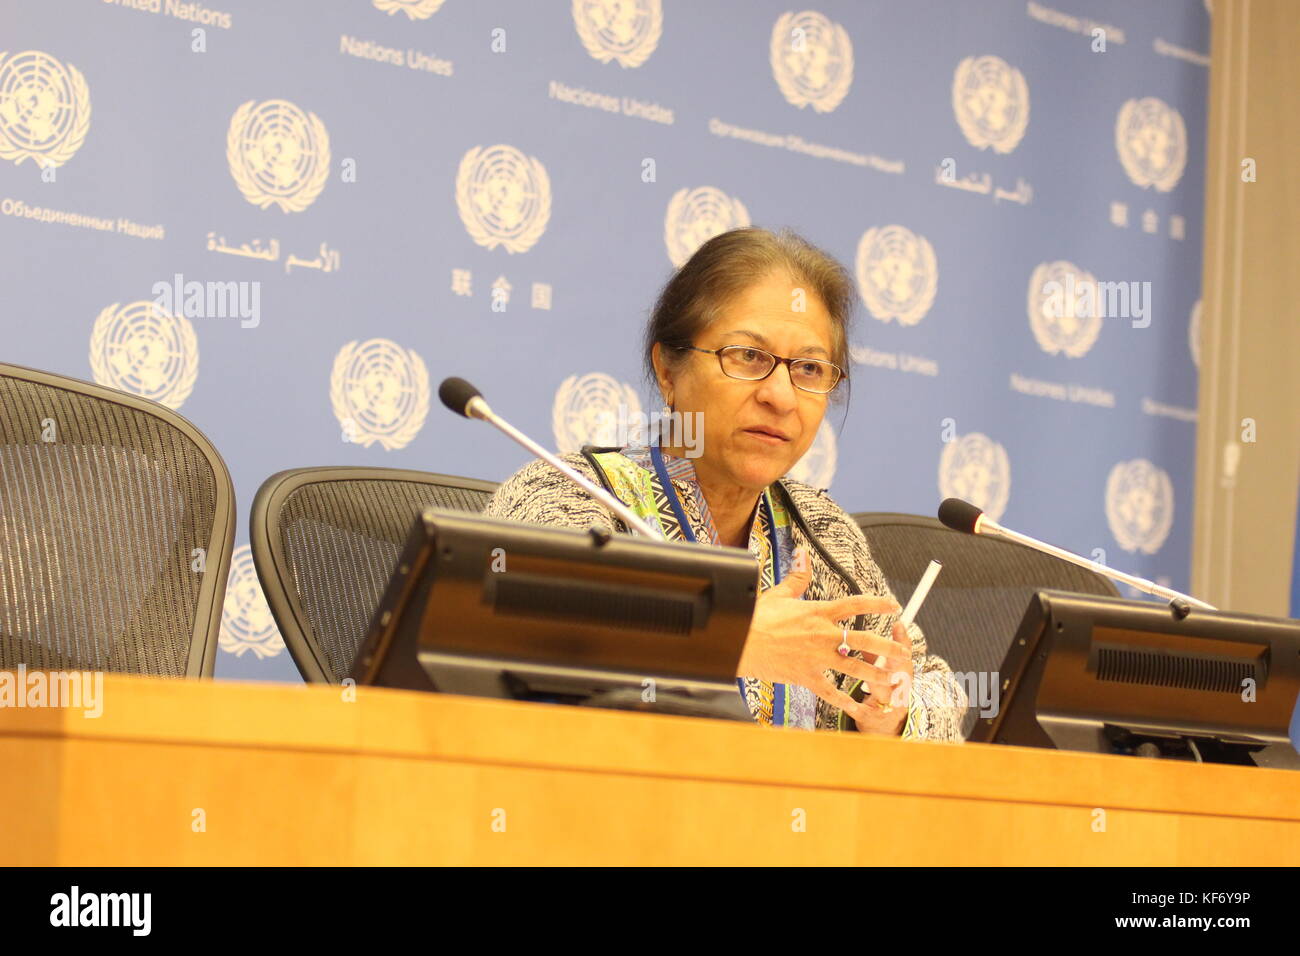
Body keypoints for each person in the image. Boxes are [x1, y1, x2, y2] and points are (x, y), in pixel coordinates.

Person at [482, 226, 966, 739]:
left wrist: (893, 714)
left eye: (808, 368)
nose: (781, 396)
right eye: (749, 357)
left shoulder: (822, 534)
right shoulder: (566, 499)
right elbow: (525, 648)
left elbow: (935, 687)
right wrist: (735, 642)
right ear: (667, 370)